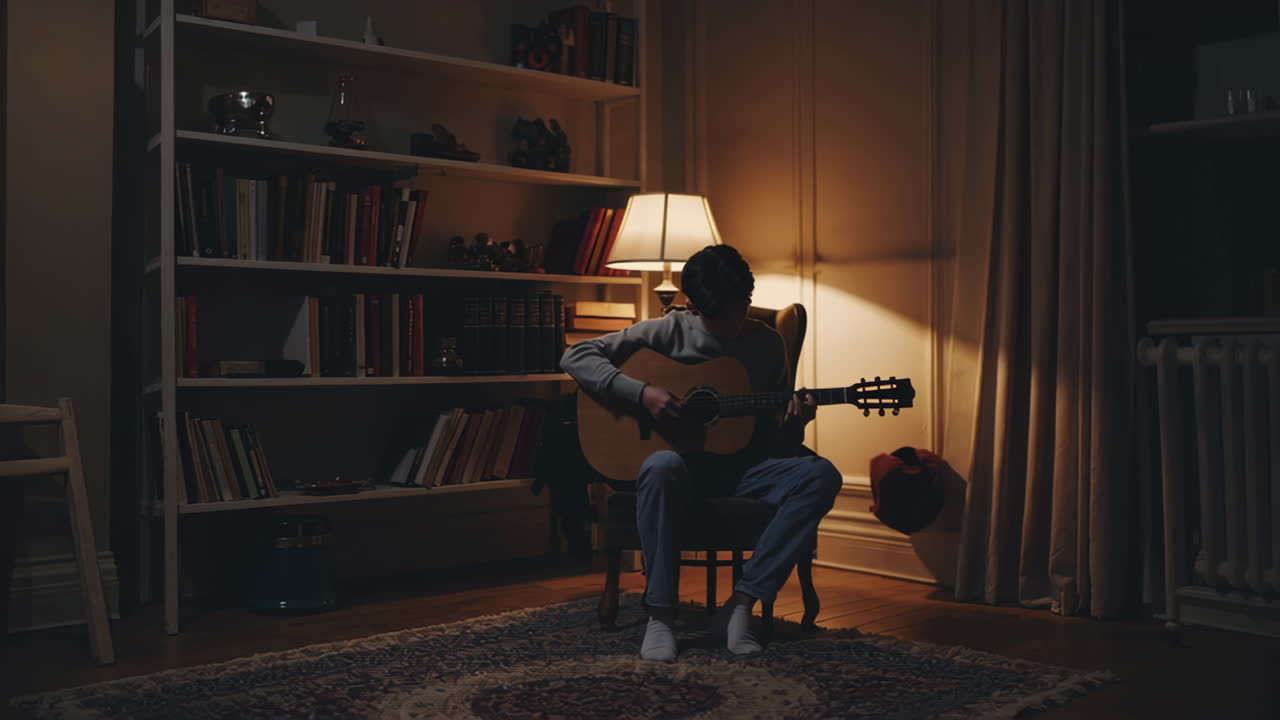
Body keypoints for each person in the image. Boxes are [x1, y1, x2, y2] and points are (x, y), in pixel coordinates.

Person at [560, 244, 842, 662]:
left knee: (822, 475)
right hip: (681, 469)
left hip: (746, 467)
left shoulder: (766, 344)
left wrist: (795, 424)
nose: (731, 322)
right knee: (659, 463)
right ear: (692, 306)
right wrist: (644, 394)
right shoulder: (667, 331)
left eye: (740, 307)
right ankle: (659, 615)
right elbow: (576, 355)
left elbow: (771, 438)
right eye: (718, 314)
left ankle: (740, 605)